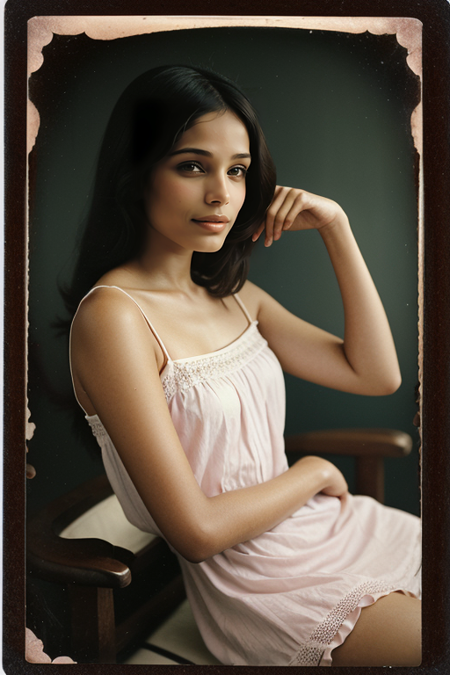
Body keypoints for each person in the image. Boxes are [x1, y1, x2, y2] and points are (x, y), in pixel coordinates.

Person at [66, 65, 421, 667]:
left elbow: (376, 375)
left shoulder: (234, 296)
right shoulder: (113, 318)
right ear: (136, 171)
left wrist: (337, 227)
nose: (222, 195)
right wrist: (310, 472)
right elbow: (196, 533)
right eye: (191, 165)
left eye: (237, 170)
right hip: (262, 583)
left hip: (335, 529)